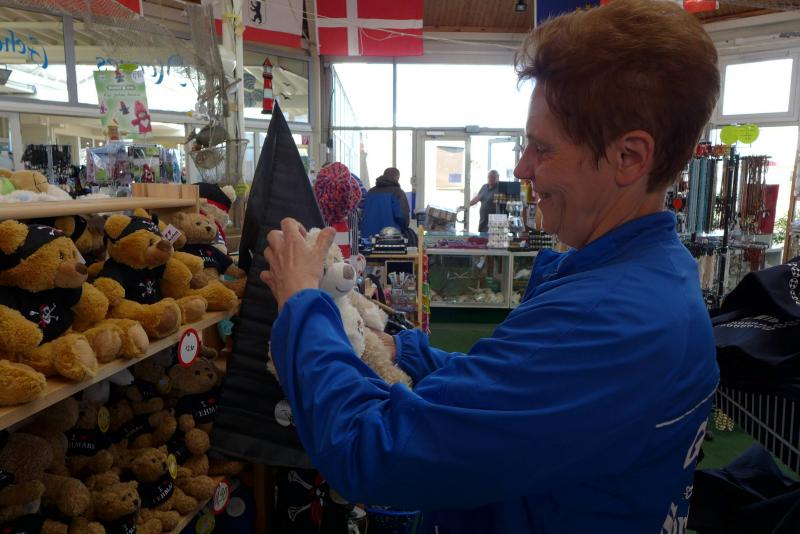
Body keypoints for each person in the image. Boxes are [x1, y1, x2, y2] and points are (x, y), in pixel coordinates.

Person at [260, 1, 720, 532]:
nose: (523, 168)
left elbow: (375, 449)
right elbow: (508, 394)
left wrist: (302, 305)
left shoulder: (606, 321)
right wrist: (403, 350)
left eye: (542, 149)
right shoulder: (652, 274)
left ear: (629, 157)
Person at [359, 167, 410, 237]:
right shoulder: (398, 192)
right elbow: (402, 217)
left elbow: (362, 213)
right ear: (397, 178)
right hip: (389, 237)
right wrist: (404, 229)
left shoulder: (370, 192)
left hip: (367, 236)